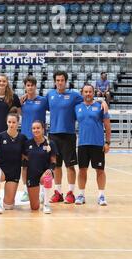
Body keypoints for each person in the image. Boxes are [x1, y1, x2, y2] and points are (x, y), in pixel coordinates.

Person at [47, 71, 83, 204]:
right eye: (57, 80)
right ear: (55, 81)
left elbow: (88, 100)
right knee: (56, 166)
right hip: (54, 135)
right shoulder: (50, 95)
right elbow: (38, 102)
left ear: (66, 82)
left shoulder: (74, 96)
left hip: (68, 135)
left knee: (70, 165)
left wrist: (102, 103)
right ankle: (58, 192)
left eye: (62, 80)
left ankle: (71, 193)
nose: (60, 82)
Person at [74, 84, 111, 206]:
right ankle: (81, 195)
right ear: (82, 93)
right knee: (82, 170)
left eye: (90, 91)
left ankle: (101, 195)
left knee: (100, 170)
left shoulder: (100, 106)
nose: (88, 94)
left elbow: (107, 125)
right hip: (83, 144)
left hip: (97, 144)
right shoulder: (77, 107)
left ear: (93, 93)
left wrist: (107, 142)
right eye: (86, 92)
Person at [0, 112, 27, 214]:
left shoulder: (23, 138)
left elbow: (26, 156)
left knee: (8, 206)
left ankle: (8, 200)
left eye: (14, 122)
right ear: (6, 122)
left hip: (14, 172)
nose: (11, 124)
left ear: (18, 123)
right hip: (1, 170)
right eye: (9, 122)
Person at [20, 75, 49, 202]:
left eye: (32, 85)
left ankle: (43, 192)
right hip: (26, 138)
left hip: (40, 139)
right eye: (28, 85)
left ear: (35, 86)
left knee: (42, 165)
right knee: (25, 166)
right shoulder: (22, 101)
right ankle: (26, 191)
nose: (30, 87)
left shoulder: (43, 100)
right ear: (25, 87)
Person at [23, 121, 57, 214]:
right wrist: (25, 182)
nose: (36, 130)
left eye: (38, 128)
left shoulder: (50, 143)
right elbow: (24, 162)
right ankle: (40, 194)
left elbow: (53, 161)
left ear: (43, 129)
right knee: (34, 207)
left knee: (47, 177)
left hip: (45, 173)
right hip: (32, 175)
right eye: (34, 128)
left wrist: (50, 169)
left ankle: (46, 204)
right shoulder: (27, 143)